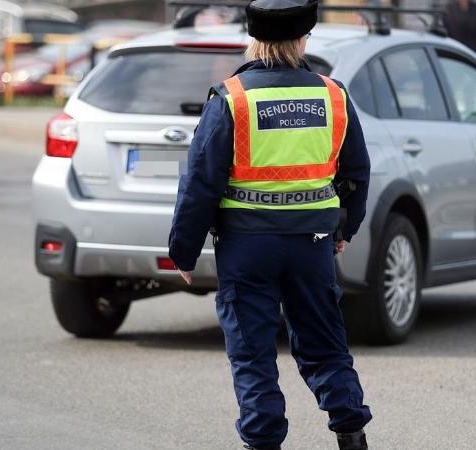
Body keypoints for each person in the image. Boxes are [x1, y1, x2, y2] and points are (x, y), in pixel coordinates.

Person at [167, 0, 372, 448]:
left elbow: (200, 181)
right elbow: (355, 174)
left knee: (253, 353)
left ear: (253, 39)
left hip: (246, 248)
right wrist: (343, 230)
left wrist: (183, 249)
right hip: (311, 245)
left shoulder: (233, 99)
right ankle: (351, 433)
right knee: (324, 344)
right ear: (304, 39)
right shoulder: (332, 95)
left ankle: (263, 442)